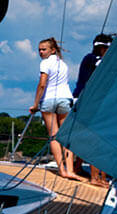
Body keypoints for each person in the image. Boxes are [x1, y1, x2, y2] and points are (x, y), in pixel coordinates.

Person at [29, 36, 84, 181]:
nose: (41, 52)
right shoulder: (63, 64)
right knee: (66, 135)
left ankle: (62, 170)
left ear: (52, 50)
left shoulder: (45, 63)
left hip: (48, 100)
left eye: (43, 49)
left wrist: (35, 105)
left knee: (54, 136)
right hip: (65, 98)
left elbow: (42, 84)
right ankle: (70, 170)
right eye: (39, 50)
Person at [74, 33, 112, 186]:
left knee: (93, 137)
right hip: (87, 101)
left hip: (93, 101)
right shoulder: (92, 59)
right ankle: (96, 177)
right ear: (102, 48)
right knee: (96, 138)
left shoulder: (94, 59)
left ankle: (81, 169)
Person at [74, 32, 111, 99]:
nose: (108, 51)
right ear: (99, 48)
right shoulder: (90, 58)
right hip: (82, 97)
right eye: (105, 48)